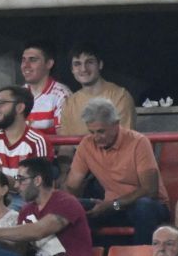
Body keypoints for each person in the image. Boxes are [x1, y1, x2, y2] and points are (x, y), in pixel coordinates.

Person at [65, 98, 167, 246]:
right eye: (92, 132)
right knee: (70, 207)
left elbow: (150, 191)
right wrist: (74, 203)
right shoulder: (87, 144)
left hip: (145, 206)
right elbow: (72, 185)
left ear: (116, 124)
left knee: (143, 206)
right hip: (112, 207)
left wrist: (112, 205)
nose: (96, 137)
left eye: (101, 131)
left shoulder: (138, 142)